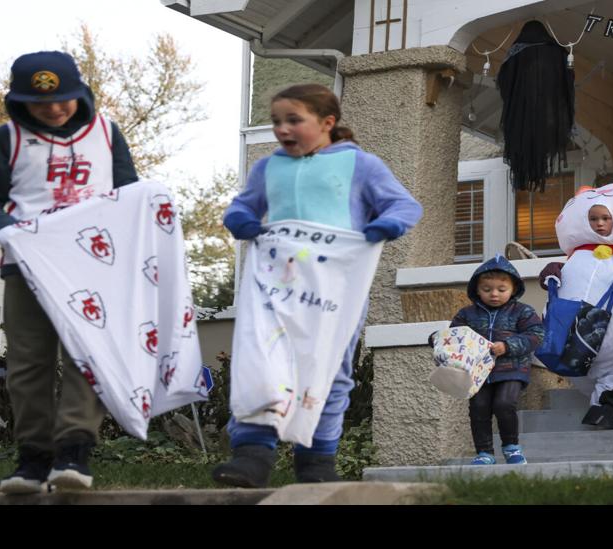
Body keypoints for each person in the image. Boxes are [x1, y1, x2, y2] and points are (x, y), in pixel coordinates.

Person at [213, 83, 422, 487]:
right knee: (260, 359)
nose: (282, 129)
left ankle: (316, 462)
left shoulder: (360, 165)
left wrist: (386, 224)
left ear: (327, 122)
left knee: (330, 370)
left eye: (294, 120)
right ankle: (253, 455)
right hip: (275, 286)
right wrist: (240, 218)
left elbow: (404, 205)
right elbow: (243, 204)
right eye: (276, 121)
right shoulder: (268, 167)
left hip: (335, 293)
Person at [0, 51, 139, 494]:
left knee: (88, 355)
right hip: (27, 266)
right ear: (21, 101)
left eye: (63, 99)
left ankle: (73, 452)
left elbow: (129, 195)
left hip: (91, 263)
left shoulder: (106, 133)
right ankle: (33, 458)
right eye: (41, 102)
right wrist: (10, 233)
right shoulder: (7, 139)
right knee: (27, 362)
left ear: (79, 94)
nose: (54, 108)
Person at [446, 255, 543, 464]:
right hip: (478, 371)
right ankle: (484, 453)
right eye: (487, 289)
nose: (494, 294)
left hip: (512, 368)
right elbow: (454, 336)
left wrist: (508, 346)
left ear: (513, 288)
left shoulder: (522, 311)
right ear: (477, 290)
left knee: (504, 403)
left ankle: (511, 448)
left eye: (501, 289)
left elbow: (536, 335)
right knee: (478, 407)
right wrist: (438, 341)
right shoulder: (467, 314)